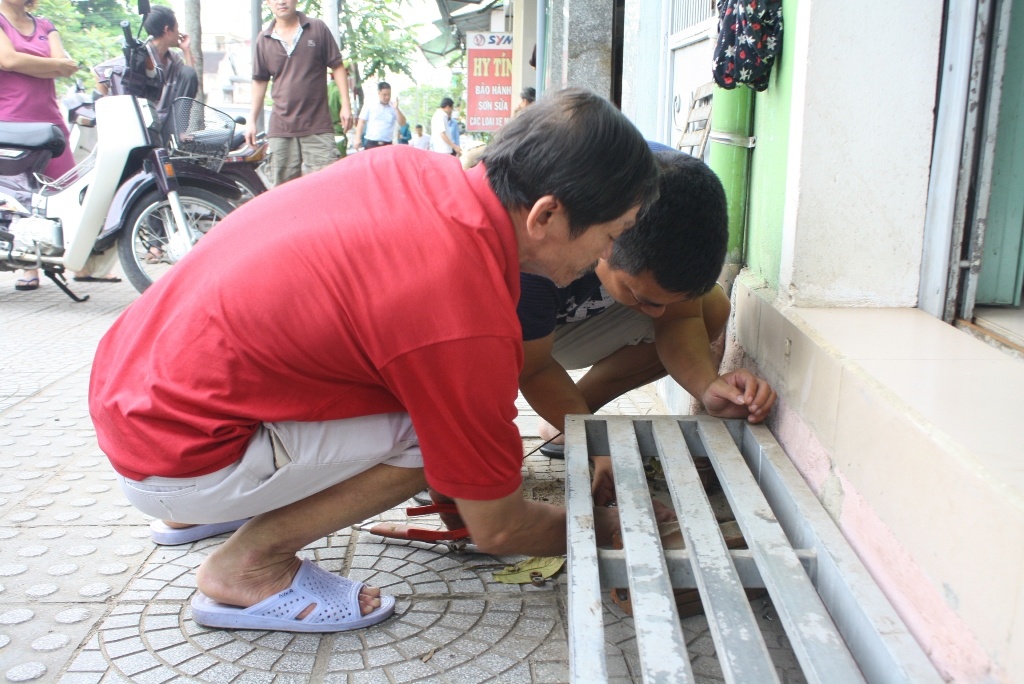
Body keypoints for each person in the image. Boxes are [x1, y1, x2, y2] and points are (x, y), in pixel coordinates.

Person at [89, 88, 659, 634]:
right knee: (432, 439)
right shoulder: (462, 304)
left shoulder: (411, 169)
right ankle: (247, 566)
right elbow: (499, 526)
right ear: (546, 216)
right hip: (177, 454)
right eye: (612, 234)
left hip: (133, 397)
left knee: (444, 425)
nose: (606, 255)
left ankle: (202, 508)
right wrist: (610, 526)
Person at [517, 150, 777, 491]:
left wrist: (708, 386)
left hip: (561, 326)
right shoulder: (537, 253)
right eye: (644, 298)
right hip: (512, 336)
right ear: (606, 243)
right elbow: (531, 369)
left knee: (711, 306)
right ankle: (565, 420)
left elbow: (678, 321)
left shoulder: (677, 200)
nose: (657, 314)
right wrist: (596, 446)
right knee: (478, 466)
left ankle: (568, 420)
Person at [0, 0, 78, 292]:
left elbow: (67, 68)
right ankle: (28, 266)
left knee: (64, 191)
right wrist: (53, 66)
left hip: (50, 123)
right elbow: (8, 60)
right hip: (11, 122)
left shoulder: (45, 25)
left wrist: (36, 64)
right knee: (20, 195)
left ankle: (71, 259)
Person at [244, 0, 352, 187]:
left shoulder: (317, 28)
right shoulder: (264, 39)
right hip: (281, 129)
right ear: (268, 2)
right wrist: (251, 120)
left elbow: (337, 66)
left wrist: (346, 105)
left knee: (326, 187)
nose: (282, 1)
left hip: (317, 126)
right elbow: (260, 80)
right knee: (282, 193)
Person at [94, 5, 198, 145]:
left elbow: (190, 79)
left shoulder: (173, 59)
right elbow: (99, 72)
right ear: (167, 30)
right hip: (145, 126)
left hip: (168, 122)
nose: (179, 32)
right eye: (177, 28)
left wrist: (186, 50)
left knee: (188, 72)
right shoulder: (140, 56)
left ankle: (179, 134)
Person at [353, 81, 405, 150]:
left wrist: (397, 109)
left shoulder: (394, 107)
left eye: (389, 94)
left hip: (387, 144)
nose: (387, 97)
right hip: (371, 143)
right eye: (384, 94)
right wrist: (357, 138)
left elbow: (402, 123)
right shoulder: (370, 104)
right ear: (379, 93)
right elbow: (361, 122)